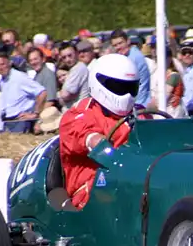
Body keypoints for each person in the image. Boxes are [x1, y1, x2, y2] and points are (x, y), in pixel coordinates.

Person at [59, 54, 138, 210]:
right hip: (90, 193)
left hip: (134, 181)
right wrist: (93, 140)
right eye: (119, 87)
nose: (127, 94)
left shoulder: (140, 114)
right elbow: (80, 134)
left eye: (131, 87)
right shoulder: (80, 114)